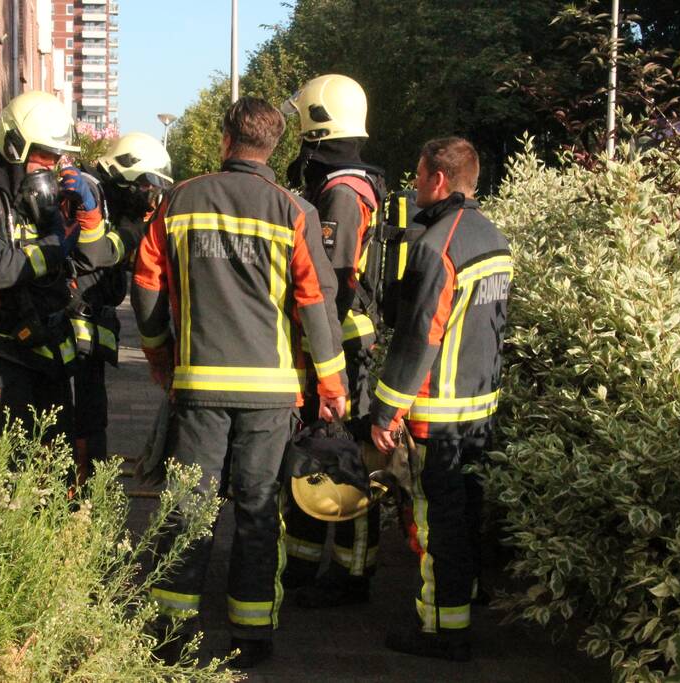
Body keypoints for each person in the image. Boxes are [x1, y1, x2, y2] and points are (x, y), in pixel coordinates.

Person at [132, 96, 348, 669]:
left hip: (199, 385)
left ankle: (173, 630)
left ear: (226, 140)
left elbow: (146, 285)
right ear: (273, 148)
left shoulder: (179, 200)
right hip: (271, 394)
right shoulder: (291, 211)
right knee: (256, 510)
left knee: (187, 507)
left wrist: (159, 354)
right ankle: (251, 637)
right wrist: (332, 384)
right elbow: (313, 303)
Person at [369, 137, 512, 662]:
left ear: (439, 179)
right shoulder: (493, 238)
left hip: (438, 415)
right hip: (479, 410)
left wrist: (386, 410)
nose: (415, 182)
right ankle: (464, 598)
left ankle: (441, 631)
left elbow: (418, 338)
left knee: (439, 526)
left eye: (420, 173)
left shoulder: (437, 246)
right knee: (467, 515)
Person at [0, 90, 122, 459]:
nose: (51, 164)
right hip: (3, 359)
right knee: (4, 477)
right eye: (44, 154)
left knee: (57, 472)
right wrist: (54, 245)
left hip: (49, 355)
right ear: (15, 145)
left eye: (56, 156)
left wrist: (88, 214)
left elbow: (87, 260)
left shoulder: (39, 200)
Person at [280, 73, 387, 607]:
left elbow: (335, 282)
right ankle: (300, 564)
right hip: (334, 345)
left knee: (346, 463)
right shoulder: (343, 183)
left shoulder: (343, 194)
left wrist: (324, 358)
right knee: (317, 454)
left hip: (344, 348)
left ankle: (352, 575)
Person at [69, 133, 173, 484]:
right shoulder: (88, 191)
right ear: (127, 176)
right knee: (83, 423)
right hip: (71, 331)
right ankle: (77, 506)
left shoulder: (107, 197)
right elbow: (95, 253)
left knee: (93, 420)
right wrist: (132, 234)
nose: (149, 198)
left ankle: (85, 501)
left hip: (89, 327)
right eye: (147, 188)